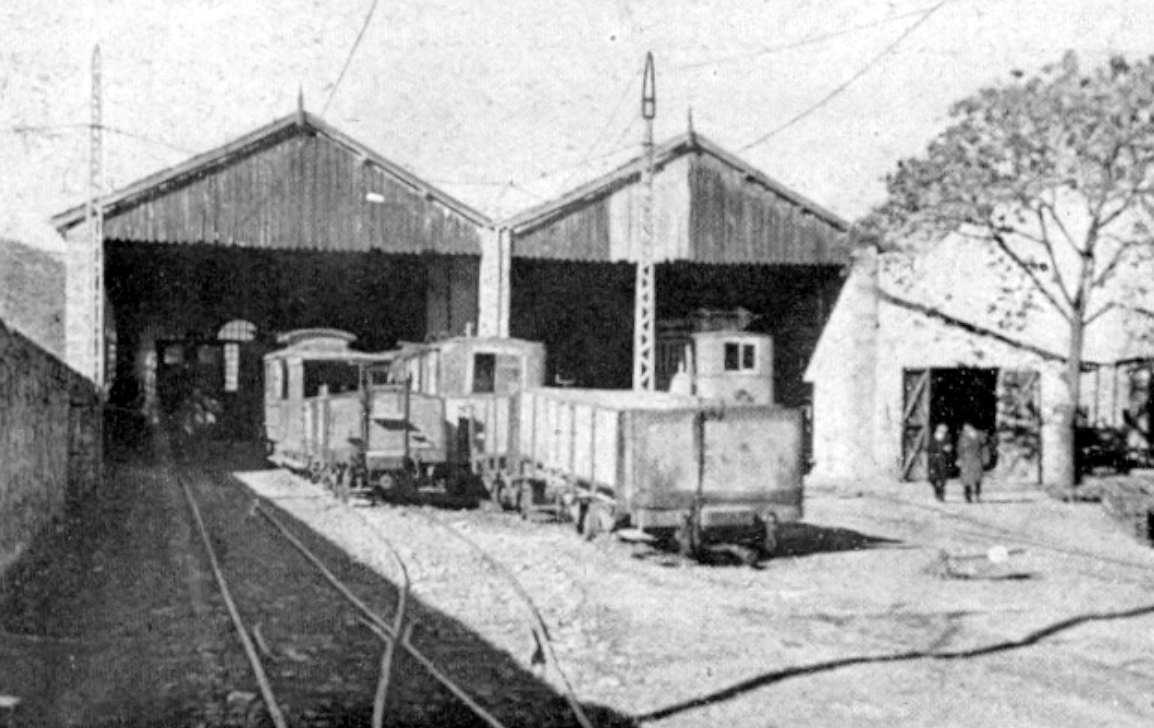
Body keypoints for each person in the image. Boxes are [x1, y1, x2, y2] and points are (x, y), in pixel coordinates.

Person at [957, 422, 989, 503]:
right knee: (966, 480)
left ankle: (977, 495)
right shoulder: (963, 437)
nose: (966, 430)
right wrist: (959, 459)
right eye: (965, 428)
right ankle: (968, 497)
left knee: (977, 479)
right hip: (966, 460)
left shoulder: (979, 435)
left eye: (967, 427)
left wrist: (985, 458)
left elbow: (984, 447)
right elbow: (960, 449)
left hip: (976, 459)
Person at [927, 423, 953, 501]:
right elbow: (928, 447)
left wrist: (948, 449)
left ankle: (941, 494)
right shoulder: (932, 437)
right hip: (933, 459)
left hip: (943, 459)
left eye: (944, 430)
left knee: (942, 478)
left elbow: (950, 448)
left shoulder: (947, 437)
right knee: (932, 477)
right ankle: (937, 489)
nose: (943, 431)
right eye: (941, 430)